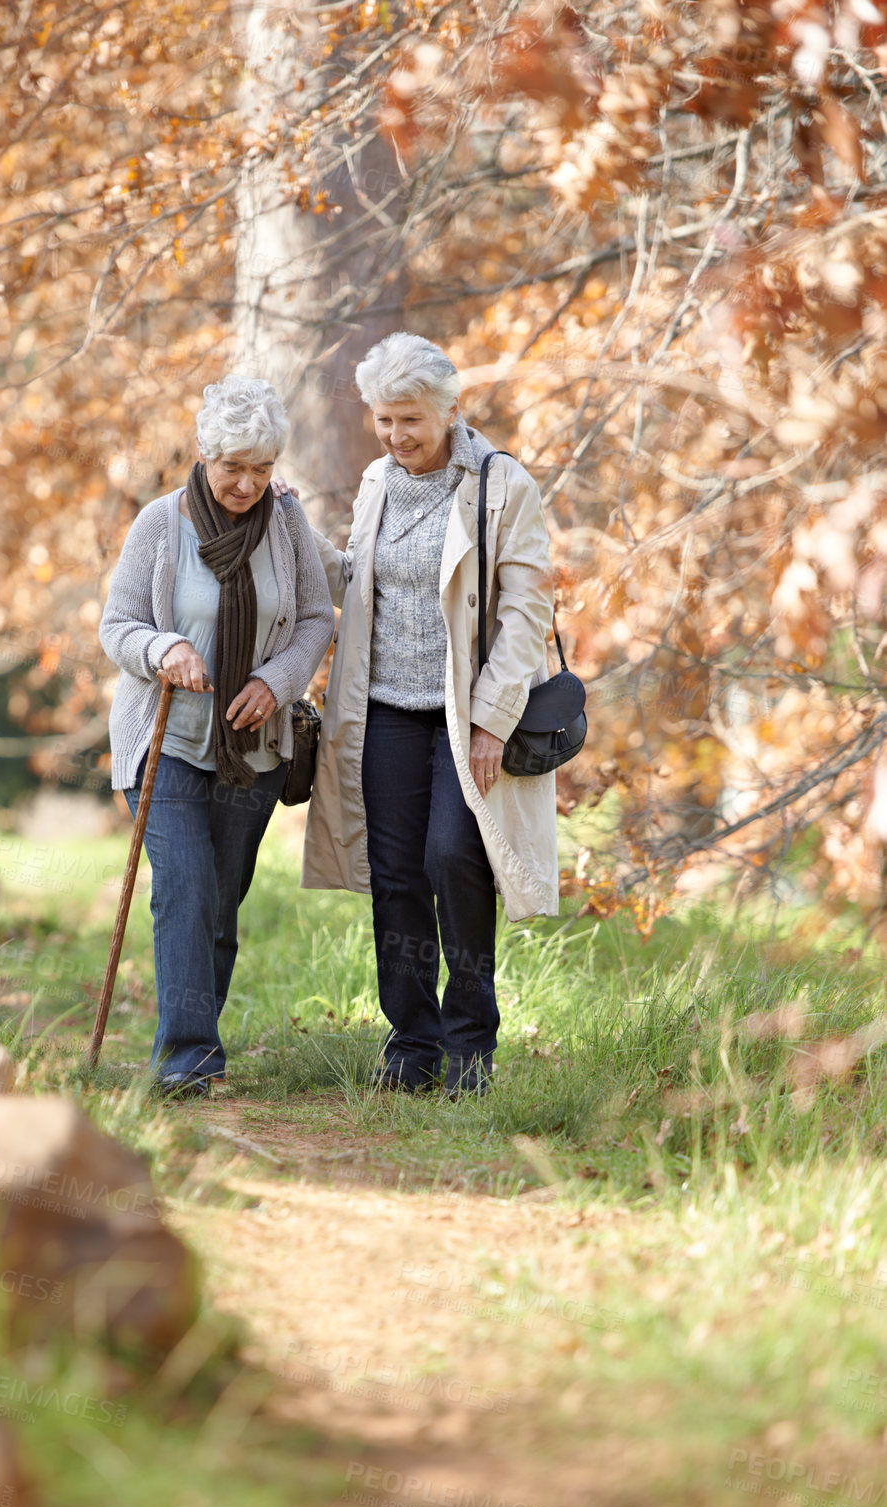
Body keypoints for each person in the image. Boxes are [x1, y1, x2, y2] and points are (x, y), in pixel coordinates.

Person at [298, 331, 559, 1096]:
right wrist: (297, 533)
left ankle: (471, 1044)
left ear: (449, 409)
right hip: (383, 710)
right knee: (397, 876)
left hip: (462, 714)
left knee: (453, 858)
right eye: (383, 418)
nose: (394, 435)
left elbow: (525, 607)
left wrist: (491, 718)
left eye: (409, 418)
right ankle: (411, 1046)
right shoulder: (378, 480)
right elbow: (362, 578)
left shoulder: (499, 484)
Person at [99, 375, 334, 1097]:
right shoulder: (159, 525)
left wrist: (280, 680)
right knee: (188, 889)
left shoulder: (287, 523)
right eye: (233, 466)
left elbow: (317, 616)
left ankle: (194, 1042)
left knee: (221, 903)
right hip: (166, 742)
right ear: (203, 455)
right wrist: (162, 648)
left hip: (252, 750)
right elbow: (118, 626)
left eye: (261, 469)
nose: (246, 483)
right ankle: (187, 1058)